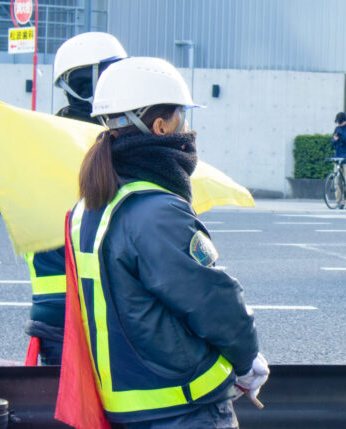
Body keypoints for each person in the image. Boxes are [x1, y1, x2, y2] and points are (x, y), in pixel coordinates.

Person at [70, 56, 266, 427]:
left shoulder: (90, 206)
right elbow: (213, 301)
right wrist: (246, 358)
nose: (188, 128)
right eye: (182, 116)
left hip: (128, 408)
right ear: (160, 126)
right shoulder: (157, 211)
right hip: (183, 410)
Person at [23, 31, 129, 365]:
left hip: (56, 310)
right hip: (91, 308)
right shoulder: (98, 147)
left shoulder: (43, 140)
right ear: (88, 85)